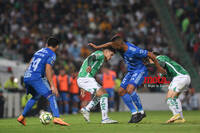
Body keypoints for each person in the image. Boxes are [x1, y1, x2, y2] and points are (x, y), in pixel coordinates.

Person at [89, 34, 166, 123]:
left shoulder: (134, 51)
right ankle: (134, 113)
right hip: (131, 72)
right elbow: (110, 43)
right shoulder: (120, 46)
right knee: (121, 91)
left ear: (120, 44)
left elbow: (151, 55)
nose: (114, 48)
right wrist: (97, 46)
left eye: (115, 46)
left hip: (140, 70)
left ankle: (141, 112)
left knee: (130, 89)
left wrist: (159, 68)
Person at [17, 37, 69, 126]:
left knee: (35, 96)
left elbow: (30, 63)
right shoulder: (52, 54)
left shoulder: (39, 51)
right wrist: (52, 85)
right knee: (51, 95)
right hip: (36, 77)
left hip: (27, 75)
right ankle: (57, 117)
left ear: (46, 44)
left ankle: (22, 117)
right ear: (57, 46)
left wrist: (28, 75)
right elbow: (48, 69)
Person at [77, 47, 118, 124]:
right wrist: (89, 66)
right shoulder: (101, 54)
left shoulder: (101, 57)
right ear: (106, 51)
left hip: (85, 78)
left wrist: (83, 87)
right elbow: (91, 57)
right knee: (103, 94)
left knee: (101, 93)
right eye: (111, 55)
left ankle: (87, 109)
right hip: (86, 78)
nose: (110, 57)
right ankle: (105, 118)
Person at [148, 53, 191, 123]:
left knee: (170, 97)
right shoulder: (163, 67)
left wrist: (154, 63)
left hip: (180, 77)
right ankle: (181, 118)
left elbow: (162, 63)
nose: (149, 60)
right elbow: (161, 79)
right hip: (184, 77)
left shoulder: (160, 57)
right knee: (175, 97)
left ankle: (176, 115)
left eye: (149, 59)